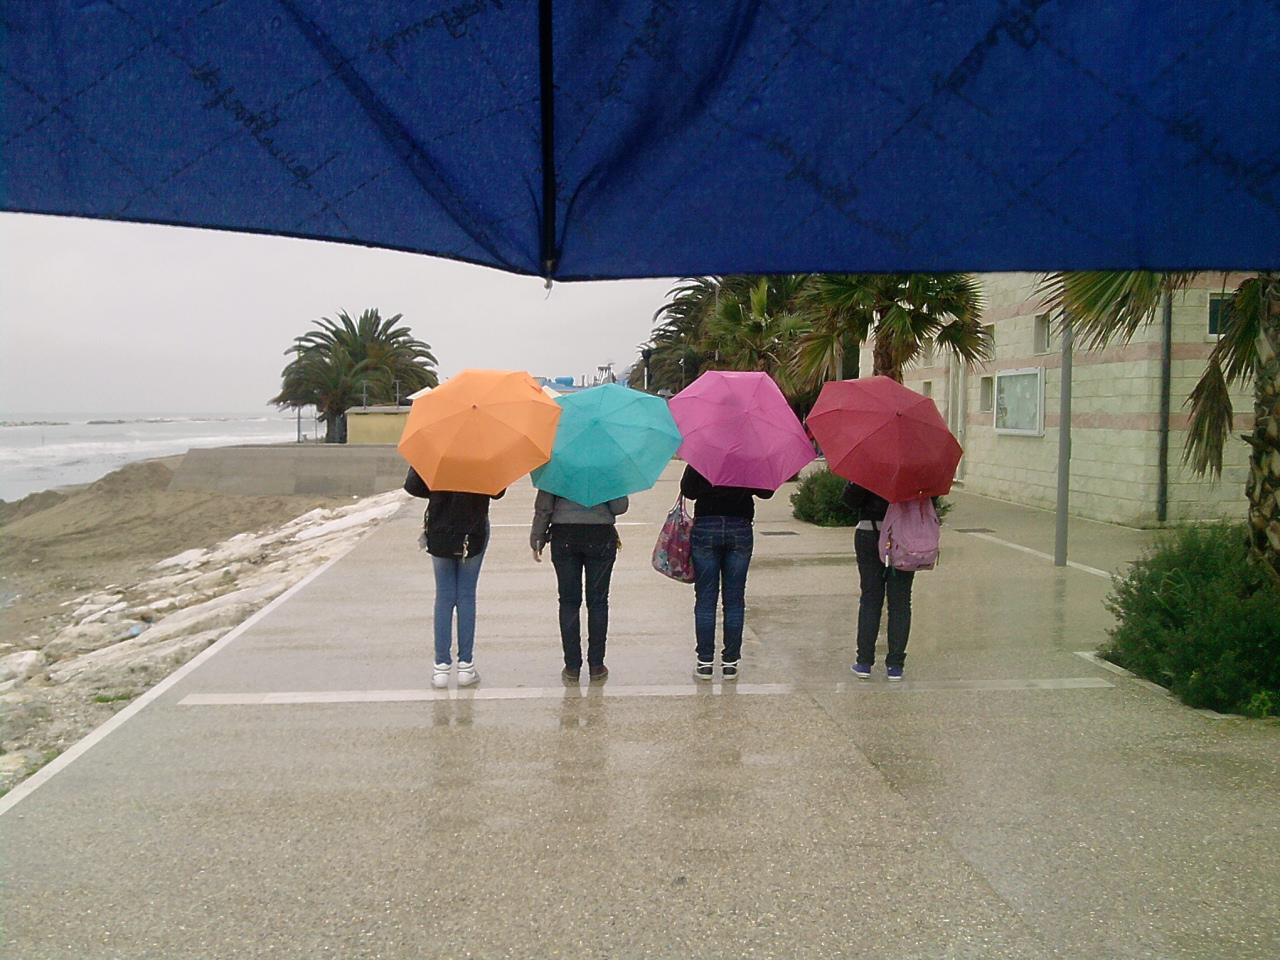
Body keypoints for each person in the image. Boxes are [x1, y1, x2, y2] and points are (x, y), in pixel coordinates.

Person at [405, 467, 505, 689]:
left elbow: (413, 486)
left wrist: (438, 491)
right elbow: (498, 492)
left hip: (440, 528)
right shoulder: (483, 452)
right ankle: (465, 666)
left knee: (444, 596)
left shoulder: (437, 448)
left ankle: (441, 667)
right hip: (473, 529)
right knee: (466, 595)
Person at [680, 464, 773, 682]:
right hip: (739, 526)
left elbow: (688, 491)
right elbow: (766, 492)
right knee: (734, 598)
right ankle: (730, 663)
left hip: (706, 525)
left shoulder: (703, 452)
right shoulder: (750, 454)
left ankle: (704, 663)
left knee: (705, 598)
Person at [530, 490, 629, 682]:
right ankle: (597, 665)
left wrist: (537, 538)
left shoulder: (557, 463)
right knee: (598, 602)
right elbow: (620, 507)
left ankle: (572, 666)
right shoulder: (608, 465)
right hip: (600, 535)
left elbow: (544, 508)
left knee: (568, 602)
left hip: (564, 534)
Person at [841, 480, 920, 681]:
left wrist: (855, 482)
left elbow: (850, 501)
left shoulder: (870, 462)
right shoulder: (917, 466)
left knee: (870, 598)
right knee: (901, 601)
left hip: (870, 532)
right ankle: (895, 665)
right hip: (905, 535)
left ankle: (864, 662)